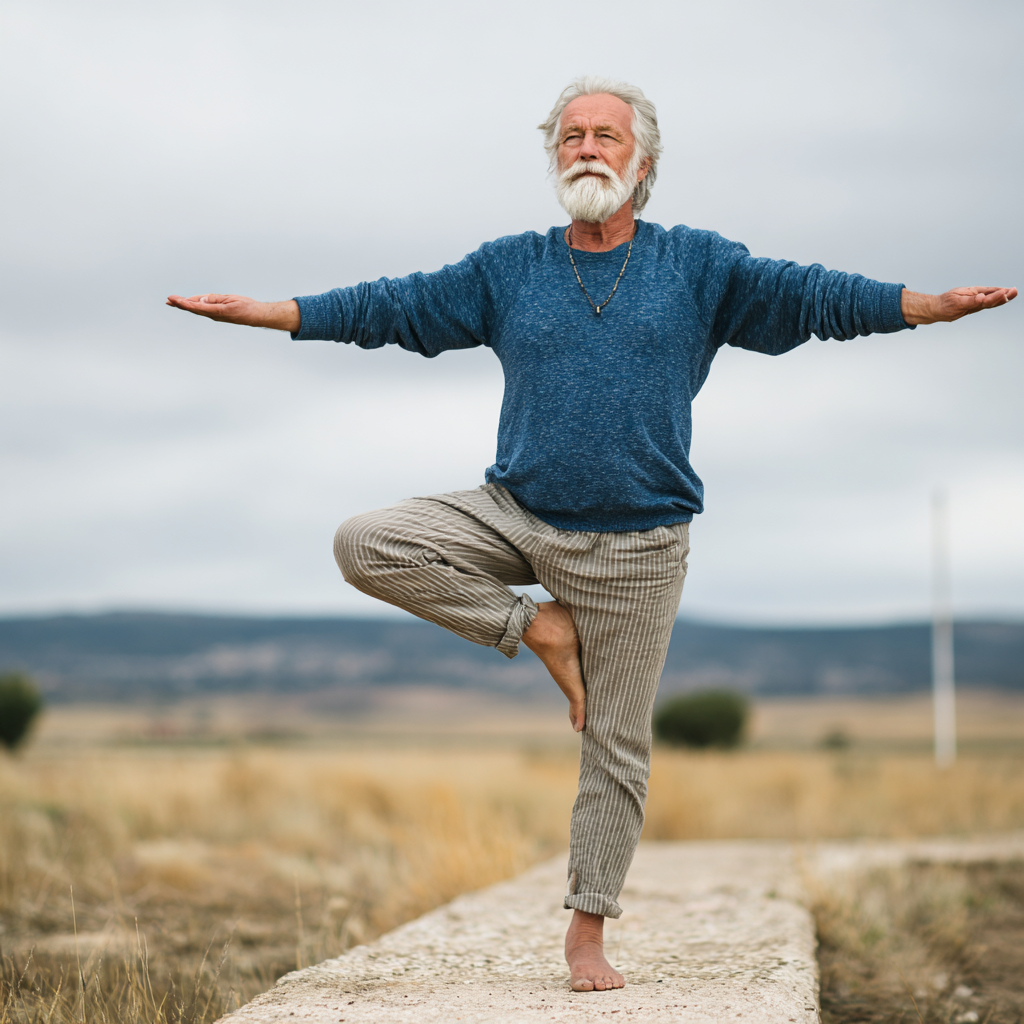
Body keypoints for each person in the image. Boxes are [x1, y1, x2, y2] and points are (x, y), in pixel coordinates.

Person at [167, 77, 1016, 992]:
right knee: (364, 541)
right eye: (571, 135)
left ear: (641, 161)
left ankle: (586, 932)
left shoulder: (698, 266)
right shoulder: (511, 269)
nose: (586, 148)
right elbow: (396, 307)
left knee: (615, 746)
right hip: (517, 515)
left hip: (640, 546)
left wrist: (920, 304)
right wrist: (274, 314)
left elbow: (807, 295)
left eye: (607, 136)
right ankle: (538, 630)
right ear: (553, 157)